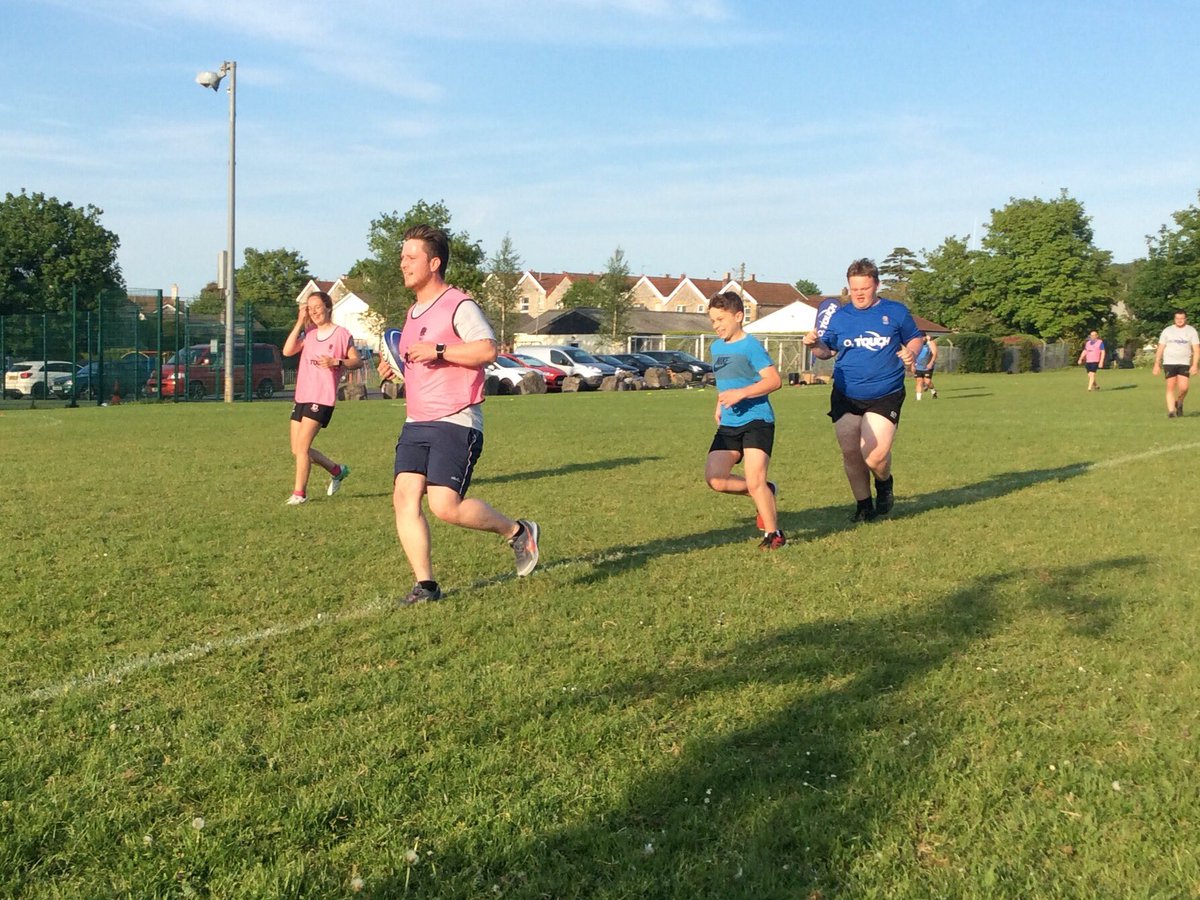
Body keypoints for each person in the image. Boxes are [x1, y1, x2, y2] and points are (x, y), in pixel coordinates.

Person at [376, 224, 540, 605]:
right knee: (404, 498)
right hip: (416, 421)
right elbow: (419, 364)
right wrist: (397, 369)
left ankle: (517, 532)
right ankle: (426, 586)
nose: (403, 263)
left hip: (455, 419)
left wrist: (437, 350)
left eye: (411, 257)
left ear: (434, 263)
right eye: (402, 257)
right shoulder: (412, 313)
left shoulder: (459, 305)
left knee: (445, 506)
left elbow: (486, 351)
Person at [803, 258, 925, 522]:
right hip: (846, 393)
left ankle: (884, 482)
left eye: (865, 288)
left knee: (875, 456)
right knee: (851, 452)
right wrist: (813, 345)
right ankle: (864, 506)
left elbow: (915, 338)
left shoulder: (895, 311)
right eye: (854, 289)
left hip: (885, 393)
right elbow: (827, 351)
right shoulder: (840, 316)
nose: (859, 294)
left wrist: (912, 353)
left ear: (876, 286)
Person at [704, 291, 785, 550]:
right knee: (715, 479)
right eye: (713, 321)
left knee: (754, 479)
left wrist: (742, 393)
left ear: (738, 316)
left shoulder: (751, 346)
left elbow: (774, 381)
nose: (716, 325)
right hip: (729, 423)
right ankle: (766, 491)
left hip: (757, 420)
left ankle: (774, 535)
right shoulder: (716, 348)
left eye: (721, 319)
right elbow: (726, 381)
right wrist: (719, 403)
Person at [281, 290, 361, 505]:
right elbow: (287, 351)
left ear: (328, 307)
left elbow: (356, 361)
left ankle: (300, 494)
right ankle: (337, 470)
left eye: (317, 307)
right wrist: (300, 322)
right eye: (310, 308)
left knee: (303, 448)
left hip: (322, 398)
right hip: (302, 396)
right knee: (297, 449)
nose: (314, 312)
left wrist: (337, 362)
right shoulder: (309, 334)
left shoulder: (341, 334)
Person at [1152, 310, 1200, 418]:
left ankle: (1179, 402)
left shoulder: (1191, 331)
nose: (1179, 320)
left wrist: (1195, 365)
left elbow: (1197, 350)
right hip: (1169, 362)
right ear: (1174, 319)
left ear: (1185, 319)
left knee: (1184, 388)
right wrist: (1157, 363)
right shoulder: (1167, 331)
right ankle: (1171, 411)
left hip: (1184, 363)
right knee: (1170, 386)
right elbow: (1161, 348)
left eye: (1182, 318)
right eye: (1177, 318)